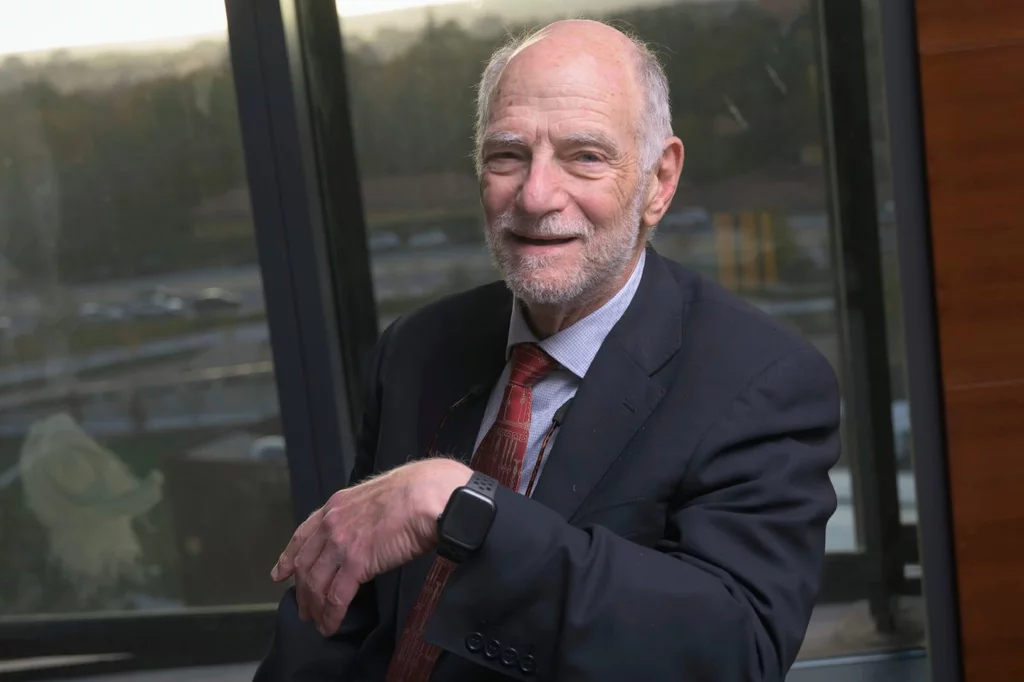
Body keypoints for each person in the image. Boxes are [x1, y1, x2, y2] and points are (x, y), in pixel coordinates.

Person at [255, 18, 840, 682]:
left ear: (660, 181)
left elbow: (733, 651)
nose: (535, 196)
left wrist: (464, 506)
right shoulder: (416, 349)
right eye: (508, 154)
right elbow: (335, 607)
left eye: (585, 155)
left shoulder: (761, 381)